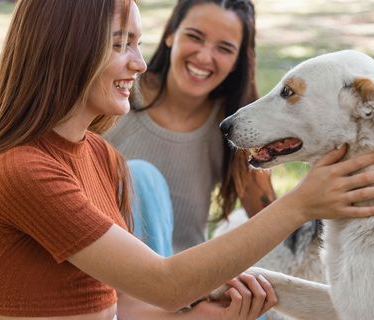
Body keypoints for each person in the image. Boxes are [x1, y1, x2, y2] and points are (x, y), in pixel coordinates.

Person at [0, 0, 374, 319]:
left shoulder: (99, 156)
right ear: (66, 51)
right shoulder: (21, 172)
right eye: (120, 44)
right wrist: (301, 204)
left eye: (137, 43)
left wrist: (211, 313)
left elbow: (128, 304)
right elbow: (163, 285)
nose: (139, 63)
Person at [104, 0, 277, 256]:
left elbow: (271, 225)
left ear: (237, 61)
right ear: (171, 33)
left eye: (225, 48)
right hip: (101, 274)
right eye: (195, 37)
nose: (205, 57)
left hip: (183, 284)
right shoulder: (117, 96)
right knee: (140, 176)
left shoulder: (232, 129)